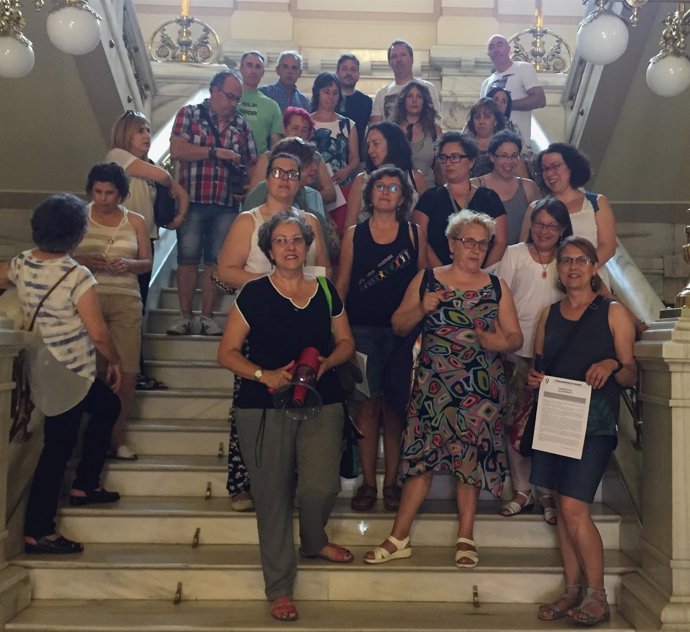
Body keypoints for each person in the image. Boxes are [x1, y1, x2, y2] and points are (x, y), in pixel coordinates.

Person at [218, 212, 355, 622]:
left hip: (322, 399)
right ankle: (279, 587)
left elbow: (346, 341)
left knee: (322, 486)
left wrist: (329, 362)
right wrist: (265, 375)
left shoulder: (326, 290)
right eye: (281, 240)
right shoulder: (254, 294)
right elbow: (226, 353)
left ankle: (313, 541)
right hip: (262, 407)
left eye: (297, 239)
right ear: (268, 249)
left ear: (307, 244)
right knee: (273, 498)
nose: (291, 247)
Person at [364, 210, 522, 566]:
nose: (475, 250)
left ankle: (466, 536)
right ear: (452, 244)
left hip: (480, 389)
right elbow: (399, 326)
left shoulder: (496, 285)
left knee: (470, 461)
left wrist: (496, 343)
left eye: (483, 244)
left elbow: (515, 337)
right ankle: (398, 536)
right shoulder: (427, 279)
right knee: (420, 460)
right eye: (468, 241)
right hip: (433, 386)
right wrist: (422, 307)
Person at [1, 194, 122, 554]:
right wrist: (114, 360)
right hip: (72, 369)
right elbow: (98, 332)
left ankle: (86, 485)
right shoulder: (76, 276)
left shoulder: (22, 263)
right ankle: (39, 530)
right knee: (57, 448)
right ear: (76, 235)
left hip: (42, 365)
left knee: (105, 409)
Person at [528, 236, 636, 626]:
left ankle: (597, 595)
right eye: (566, 260)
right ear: (558, 268)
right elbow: (537, 367)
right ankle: (572, 591)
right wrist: (534, 378)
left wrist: (610, 363)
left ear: (594, 267)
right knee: (560, 507)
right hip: (555, 419)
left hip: (595, 424)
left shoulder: (613, 312)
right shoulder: (549, 313)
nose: (573, 267)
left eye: (581, 260)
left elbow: (631, 372)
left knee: (574, 507)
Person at [336, 166, 428, 513]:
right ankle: (368, 484)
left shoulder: (414, 233)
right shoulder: (354, 234)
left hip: (402, 334)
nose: (386, 192)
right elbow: (342, 283)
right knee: (366, 408)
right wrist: (337, 328)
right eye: (380, 186)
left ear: (403, 197)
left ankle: (392, 482)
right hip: (360, 330)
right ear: (369, 193)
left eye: (394, 187)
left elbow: (423, 281)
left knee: (394, 410)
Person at [494, 197, 573, 523]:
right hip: (515, 353)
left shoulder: (569, 260)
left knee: (549, 426)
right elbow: (498, 300)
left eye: (552, 225)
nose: (544, 230)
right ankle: (522, 490)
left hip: (556, 357)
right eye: (539, 223)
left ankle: (547, 493)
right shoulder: (513, 254)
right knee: (514, 425)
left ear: (563, 229)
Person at [169, 70, 258, 336]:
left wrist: (248, 190)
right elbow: (177, 150)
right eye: (230, 96)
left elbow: (253, 163)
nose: (232, 103)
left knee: (216, 261)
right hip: (192, 199)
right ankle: (184, 316)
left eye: (237, 99)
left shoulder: (241, 125)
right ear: (214, 90)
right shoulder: (189, 114)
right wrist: (215, 152)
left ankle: (207, 316)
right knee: (187, 257)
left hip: (226, 202)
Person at [74, 163, 152, 461]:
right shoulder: (80, 215)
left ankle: (116, 437)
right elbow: (63, 254)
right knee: (89, 369)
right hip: (87, 296)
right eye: (98, 192)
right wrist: (85, 259)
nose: (104, 198)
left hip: (125, 298)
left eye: (110, 193)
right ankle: (87, 439)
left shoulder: (135, 221)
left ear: (121, 194)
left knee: (127, 369)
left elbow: (146, 262)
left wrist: (128, 265)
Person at [107, 109, 189, 391]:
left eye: (148, 130)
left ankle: (134, 369)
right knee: (124, 309)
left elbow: (173, 190)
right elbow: (162, 176)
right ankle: (122, 367)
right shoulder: (116, 158)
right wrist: (168, 179)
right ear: (126, 133)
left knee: (137, 308)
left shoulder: (149, 166)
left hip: (146, 242)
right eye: (140, 130)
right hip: (121, 242)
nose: (147, 136)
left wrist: (177, 216)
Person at [519, 143, 617, 289]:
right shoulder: (535, 208)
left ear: (571, 166)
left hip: (591, 283)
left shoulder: (596, 202)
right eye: (545, 169)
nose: (549, 173)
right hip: (546, 283)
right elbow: (525, 249)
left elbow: (608, 246)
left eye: (555, 166)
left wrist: (582, 272)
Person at [413, 131, 508, 267]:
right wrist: (444, 276)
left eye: (455, 157)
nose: (448, 163)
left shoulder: (489, 198)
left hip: (481, 278)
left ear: (471, 161)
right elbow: (421, 241)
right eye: (443, 157)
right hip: (440, 278)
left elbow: (500, 242)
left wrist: (482, 276)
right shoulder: (429, 198)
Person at [344, 122, 428, 229]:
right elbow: (349, 225)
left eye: (376, 144)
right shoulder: (361, 180)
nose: (370, 151)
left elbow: (427, 220)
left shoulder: (415, 178)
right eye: (368, 145)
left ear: (392, 144)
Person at [249, 107, 336, 206]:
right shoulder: (268, 158)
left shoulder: (315, 157)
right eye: (295, 128)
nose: (299, 134)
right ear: (285, 129)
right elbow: (253, 196)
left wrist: (309, 196)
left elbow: (331, 194)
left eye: (304, 130)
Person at [471, 130, 540, 245]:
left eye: (514, 156)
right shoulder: (475, 185)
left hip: (518, 258)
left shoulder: (528, 187)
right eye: (503, 156)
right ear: (492, 157)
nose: (509, 162)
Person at [480, 34, 546, 146]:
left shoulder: (522, 68)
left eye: (499, 45)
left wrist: (507, 105)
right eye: (491, 47)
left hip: (519, 143)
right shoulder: (486, 83)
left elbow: (540, 100)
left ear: (508, 49)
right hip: (492, 146)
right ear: (488, 54)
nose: (496, 49)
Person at [370, 40, 441, 123]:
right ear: (389, 62)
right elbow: (376, 129)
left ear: (412, 59)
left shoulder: (428, 88)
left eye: (403, 55)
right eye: (394, 56)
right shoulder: (381, 94)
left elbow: (435, 123)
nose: (399, 60)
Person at [310, 72, 360, 187]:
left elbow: (355, 158)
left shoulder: (348, 124)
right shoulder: (306, 122)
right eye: (326, 92)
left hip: (340, 184)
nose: (330, 97)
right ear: (318, 93)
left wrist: (346, 170)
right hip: (312, 186)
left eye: (335, 93)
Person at [393, 81, 442, 188]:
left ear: (424, 101)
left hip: (428, 190)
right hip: (398, 189)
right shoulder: (392, 129)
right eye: (410, 96)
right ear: (403, 101)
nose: (414, 100)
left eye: (419, 97)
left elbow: (439, 167)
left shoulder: (434, 130)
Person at [237, 50, 284, 153]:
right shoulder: (228, 97)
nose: (253, 71)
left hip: (258, 164)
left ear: (262, 72)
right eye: (249, 65)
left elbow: (275, 146)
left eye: (258, 67)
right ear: (241, 68)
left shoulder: (272, 106)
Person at [336, 53, 372, 162]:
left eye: (353, 70)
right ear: (337, 73)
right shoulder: (330, 99)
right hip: (332, 160)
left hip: (358, 161)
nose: (348, 73)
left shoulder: (366, 102)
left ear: (358, 75)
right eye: (344, 69)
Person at [463, 97, 510, 179]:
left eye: (487, 117)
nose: (481, 122)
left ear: (496, 121)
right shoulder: (464, 145)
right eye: (477, 117)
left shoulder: (506, 145)